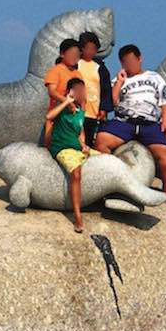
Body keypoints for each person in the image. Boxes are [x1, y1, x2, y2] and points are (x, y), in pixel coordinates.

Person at [95, 44, 166, 207]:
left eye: (132, 60)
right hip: (125, 122)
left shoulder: (155, 78)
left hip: (150, 124)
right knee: (101, 141)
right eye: (125, 62)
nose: (129, 65)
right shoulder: (119, 79)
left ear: (140, 59)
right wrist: (119, 82)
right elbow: (112, 101)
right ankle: (111, 181)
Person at [47, 77, 99, 233]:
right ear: (70, 92)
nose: (82, 94)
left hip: (77, 148)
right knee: (76, 173)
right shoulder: (62, 108)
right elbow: (49, 117)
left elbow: (80, 132)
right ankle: (77, 217)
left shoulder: (81, 111)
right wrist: (66, 101)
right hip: (62, 148)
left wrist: (84, 145)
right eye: (78, 91)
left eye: (83, 91)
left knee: (108, 159)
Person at [77, 31, 114, 148]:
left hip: (93, 110)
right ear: (81, 49)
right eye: (87, 48)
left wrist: (104, 108)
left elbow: (106, 89)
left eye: (93, 48)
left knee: (89, 140)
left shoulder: (100, 67)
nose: (90, 51)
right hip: (76, 109)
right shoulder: (75, 63)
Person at [43, 39, 81, 148]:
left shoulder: (78, 74)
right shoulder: (55, 70)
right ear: (62, 54)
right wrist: (67, 101)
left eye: (77, 55)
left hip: (73, 118)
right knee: (51, 146)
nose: (74, 57)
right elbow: (52, 91)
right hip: (56, 116)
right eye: (71, 54)